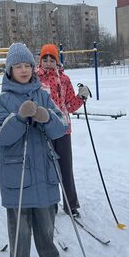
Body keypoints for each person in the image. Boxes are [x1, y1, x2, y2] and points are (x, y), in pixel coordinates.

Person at [0, 42, 68, 257]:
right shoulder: (2, 100)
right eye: (18, 66)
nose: (24, 70)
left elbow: (61, 128)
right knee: (21, 229)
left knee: (46, 224)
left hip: (44, 171)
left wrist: (47, 117)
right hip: (19, 174)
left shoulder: (43, 94)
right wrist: (19, 118)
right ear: (9, 70)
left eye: (27, 65)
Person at [36, 43, 89, 218]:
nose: (48, 63)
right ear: (40, 61)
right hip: (43, 129)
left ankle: (70, 204)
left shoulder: (64, 79)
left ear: (57, 61)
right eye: (45, 59)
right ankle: (49, 204)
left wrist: (81, 96)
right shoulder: (35, 79)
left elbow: (70, 105)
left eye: (52, 59)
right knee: (47, 168)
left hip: (63, 129)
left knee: (66, 167)